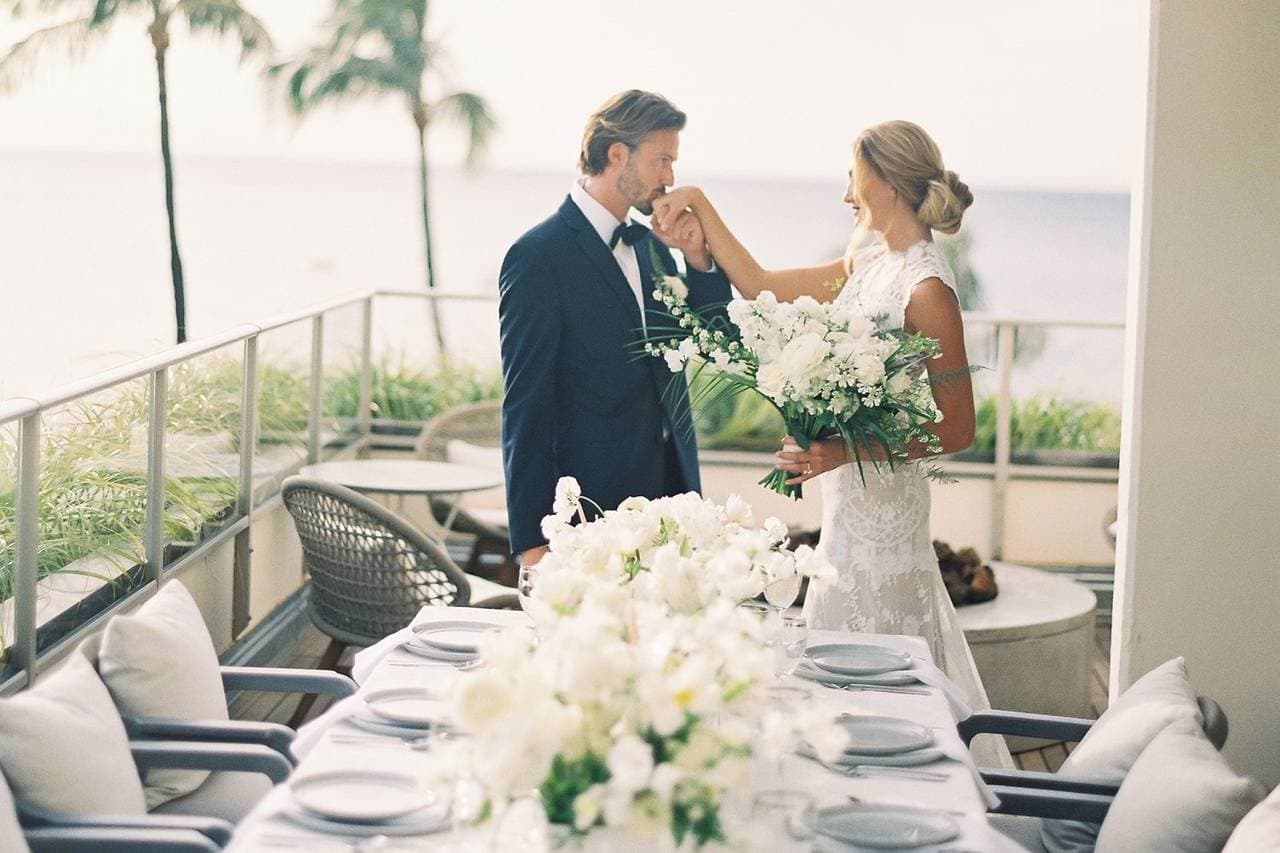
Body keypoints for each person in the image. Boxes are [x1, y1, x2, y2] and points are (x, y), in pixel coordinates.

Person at [652, 121, 999, 728]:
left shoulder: (928, 290)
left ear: (886, 183)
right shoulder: (867, 263)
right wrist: (700, 211)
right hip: (844, 508)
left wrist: (844, 450)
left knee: (882, 665)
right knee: (834, 644)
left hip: (889, 512)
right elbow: (760, 287)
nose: (846, 195)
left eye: (853, 178)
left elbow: (958, 427)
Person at [498, 90, 732, 567]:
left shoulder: (652, 246)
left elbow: (716, 338)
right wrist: (531, 542)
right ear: (617, 153)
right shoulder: (538, 257)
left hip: (670, 496)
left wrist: (699, 259)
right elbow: (526, 405)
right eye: (662, 160)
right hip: (588, 510)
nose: (670, 178)